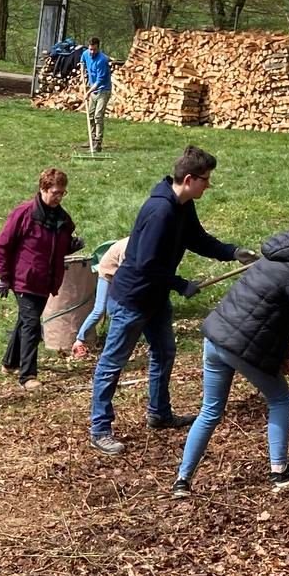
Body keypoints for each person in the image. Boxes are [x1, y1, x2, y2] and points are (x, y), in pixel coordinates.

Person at [173, 211, 289, 499]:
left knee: (210, 410)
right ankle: (280, 471)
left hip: (216, 338)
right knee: (280, 398)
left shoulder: (275, 257)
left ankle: (182, 479)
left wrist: (285, 355)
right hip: (242, 347)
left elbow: (274, 313)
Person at [88, 146, 252, 455]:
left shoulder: (182, 205)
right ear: (189, 179)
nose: (209, 185)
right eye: (206, 180)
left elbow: (197, 239)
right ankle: (100, 428)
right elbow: (146, 264)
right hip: (132, 298)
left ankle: (159, 413)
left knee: (164, 352)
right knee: (112, 363)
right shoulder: (160, 211)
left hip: (155, 295)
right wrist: (180, 284)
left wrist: (232, 252)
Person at [0, 167, 79, 389]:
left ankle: (9, 363)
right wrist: (3, 276)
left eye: (63, 193)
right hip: (24, 279)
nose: (59, 197)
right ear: (43, 188)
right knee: (32, 325)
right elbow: (2, 244)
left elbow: (57, 248)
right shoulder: (24, 213)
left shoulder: (63, 220)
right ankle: (27, 375)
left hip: (46, 280)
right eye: (55, 192)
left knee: (24, 321)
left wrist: (70, 247)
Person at [70, 237, 124, 360]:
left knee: (116, 310)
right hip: (107, 271)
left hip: (119, 272)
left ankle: (114, 344)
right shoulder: (130, 247)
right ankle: (79, 341)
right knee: (99, 309)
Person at [81, 37, 113, 154]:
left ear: (98, 48)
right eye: (90, 49)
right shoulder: (86, 53)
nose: (92, 52)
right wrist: (82, 69)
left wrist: (88, 92)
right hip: (93, 91)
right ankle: (92, 139)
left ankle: (98, 143)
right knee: (90, 115)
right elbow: (82, 61)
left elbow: (99, 81)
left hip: (103, 90)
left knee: (98, 116)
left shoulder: (102, 60)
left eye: (94, 50)